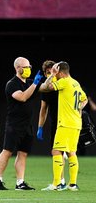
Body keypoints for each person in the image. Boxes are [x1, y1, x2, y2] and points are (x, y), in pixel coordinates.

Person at [0, 57, 43, 191]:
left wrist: (52, 76)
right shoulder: (12, 84)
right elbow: (22, 97)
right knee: (7, 151)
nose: (28, 70)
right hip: (14, 124)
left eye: (29, 67)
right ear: (18, 68)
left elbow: (45, 87)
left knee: (23, 153)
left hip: (27, 125)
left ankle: (20, 182)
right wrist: (35, 84)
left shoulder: (31, 82)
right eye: (25, 67)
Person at [39, 61, 88, 191]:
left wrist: (51, 75)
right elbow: (84, 99)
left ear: (60, 72)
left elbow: (44, 87)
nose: (56, 75)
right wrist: (79, 107)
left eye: (56, 73)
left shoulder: (64, 82)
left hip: (65, 123)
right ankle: (72, 184)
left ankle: (55, 184)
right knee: (72, 152)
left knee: (56, 151)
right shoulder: (75, 83)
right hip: (76, 123)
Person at [37, 60, 67, 190]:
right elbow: (43, 109)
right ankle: (62, 181)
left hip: (67, 122)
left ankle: (62, 182)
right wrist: (40, 127)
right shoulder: (46, 89)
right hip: (56, 123)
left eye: (53, 72)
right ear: (45, 74)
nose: (51, 74)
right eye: (48, 72)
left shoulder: (64, 84)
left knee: (62, 152)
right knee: (58, 152)